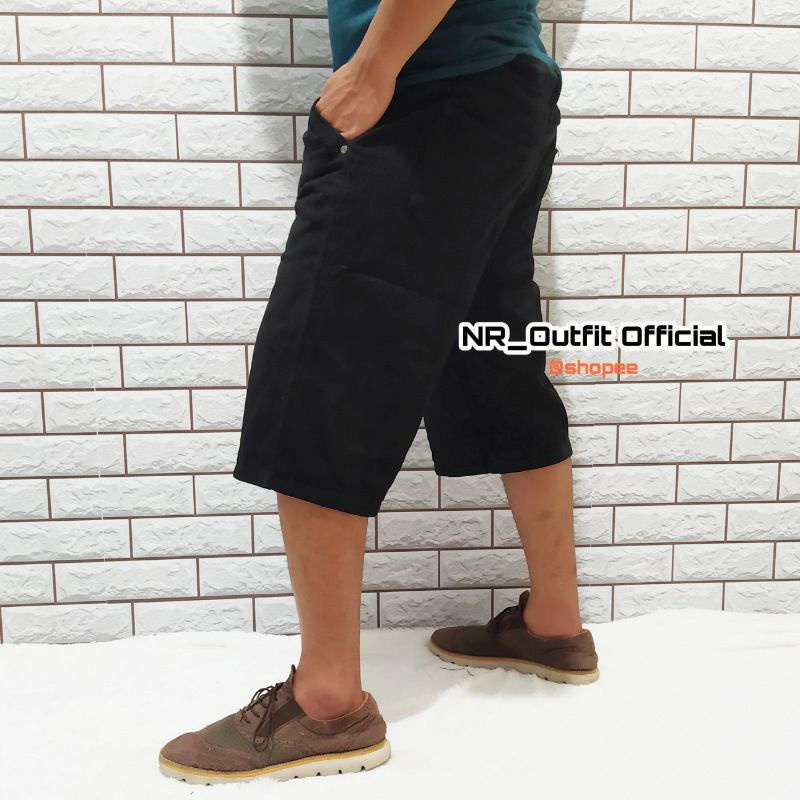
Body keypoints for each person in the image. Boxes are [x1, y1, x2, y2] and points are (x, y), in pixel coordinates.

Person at [158, 0, 599, 785]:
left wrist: (376, 63)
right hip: (507, 91)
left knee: (324, 360)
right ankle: (552, 624)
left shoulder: (406, 74)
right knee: (493, 358)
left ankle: (326, 702)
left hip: (428, 91)